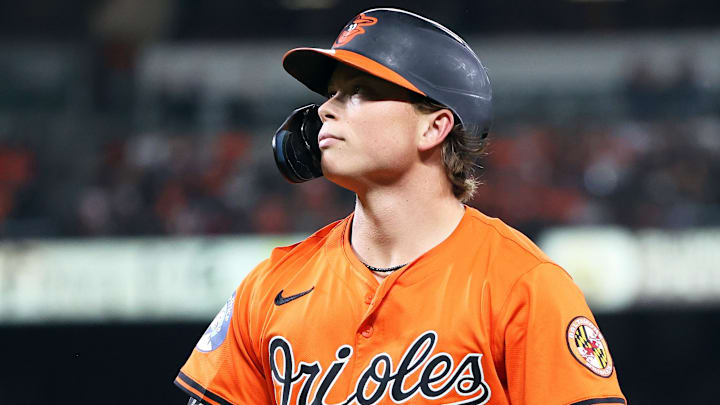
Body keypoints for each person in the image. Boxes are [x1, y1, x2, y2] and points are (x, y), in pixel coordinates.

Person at [174, 8, 626, 405]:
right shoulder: (268, 287)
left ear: (434, 128)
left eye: (359, 91)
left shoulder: (524, 286)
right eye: (330, 94)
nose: (326, 110)